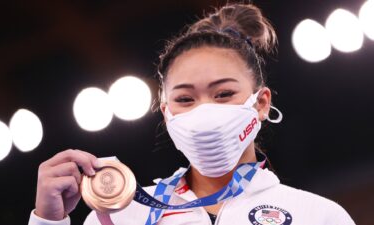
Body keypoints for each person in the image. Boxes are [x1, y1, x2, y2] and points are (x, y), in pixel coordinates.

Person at [28, 3, 355, 225]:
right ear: (166, 112)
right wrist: (47, 220)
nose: (205, 112)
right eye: (185, 98)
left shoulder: (318, 215)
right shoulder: (124, 214)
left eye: (224, 94)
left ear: (261, 103)